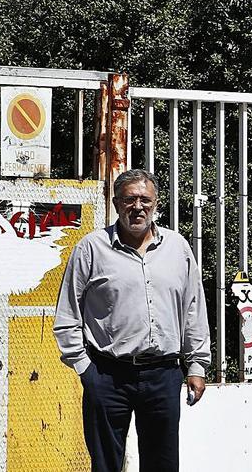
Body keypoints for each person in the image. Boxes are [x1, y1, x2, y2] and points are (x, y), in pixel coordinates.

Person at [53, 168, 210, 472]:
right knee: (105, 465)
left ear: (156, 203)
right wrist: (86, 369)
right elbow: (68, 313)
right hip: (107, 375)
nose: (137, 206)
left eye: (144, 200)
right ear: (115, 203)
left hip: (163, 375)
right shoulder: (91, 248)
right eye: (129, 199)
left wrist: (196, 365)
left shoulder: (178, 249)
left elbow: (193, 309)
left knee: (162, 464)